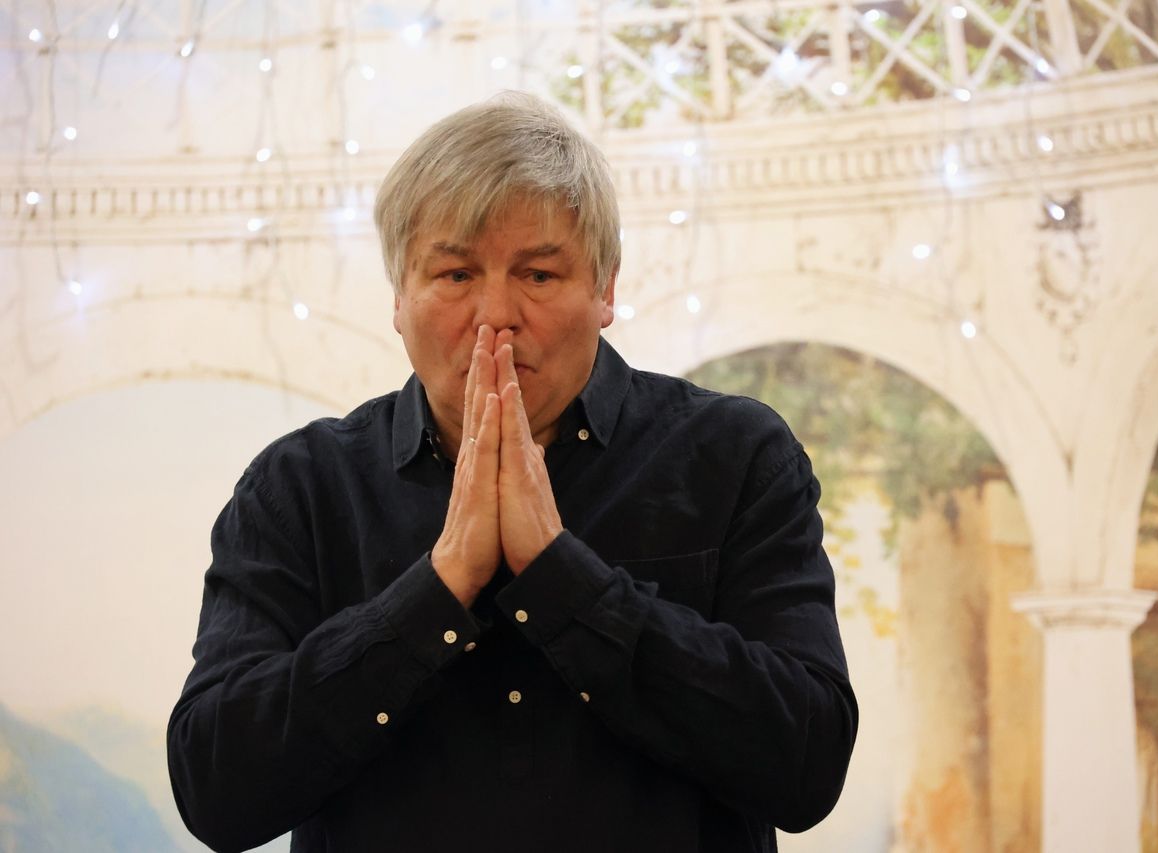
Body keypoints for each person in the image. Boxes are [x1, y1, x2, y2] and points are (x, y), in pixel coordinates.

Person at [167, 92, 856, 853]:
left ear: (605, 289)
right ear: (399, 297)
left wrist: (563, 578)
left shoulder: (734, 456)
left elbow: (807, 765)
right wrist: (438, 588)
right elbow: (216, 792)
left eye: (539, 274)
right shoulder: (300, 487)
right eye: (455, 274)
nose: (495, 314)